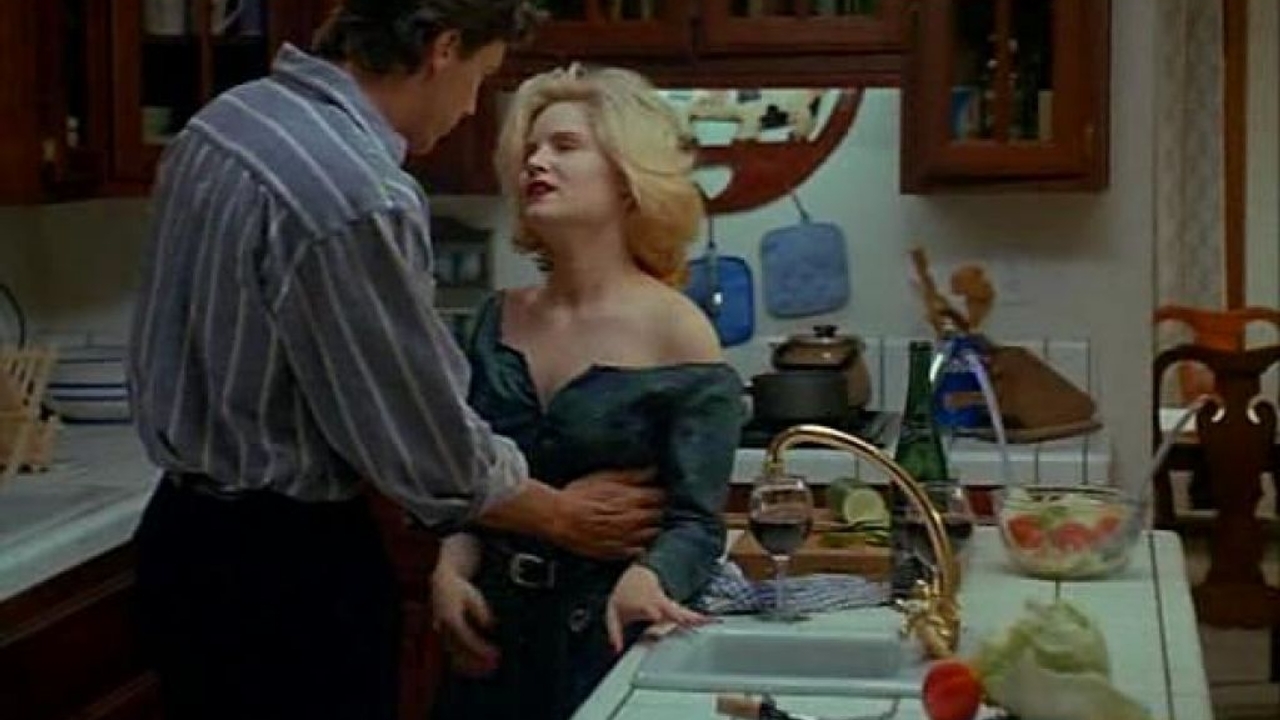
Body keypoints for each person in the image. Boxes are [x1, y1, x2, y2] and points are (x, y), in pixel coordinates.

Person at [126, 4, 668, 720]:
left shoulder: (226, 122)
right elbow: (424, 445)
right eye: (480, 76)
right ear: (443, 49)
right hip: (281, 571)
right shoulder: (356, 192)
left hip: (179, 537)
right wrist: (561, 515)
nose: (471, 105)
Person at [430, 64, 745, 720]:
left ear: (628, 178)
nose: (536, 162)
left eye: (565, 146)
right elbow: (467, 481)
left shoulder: (677, 329)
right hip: (493, 634)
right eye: (530, 150)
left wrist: (648, 579)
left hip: (608, 633)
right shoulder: (494, 319)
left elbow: (696, 522)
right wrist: (450, 570)